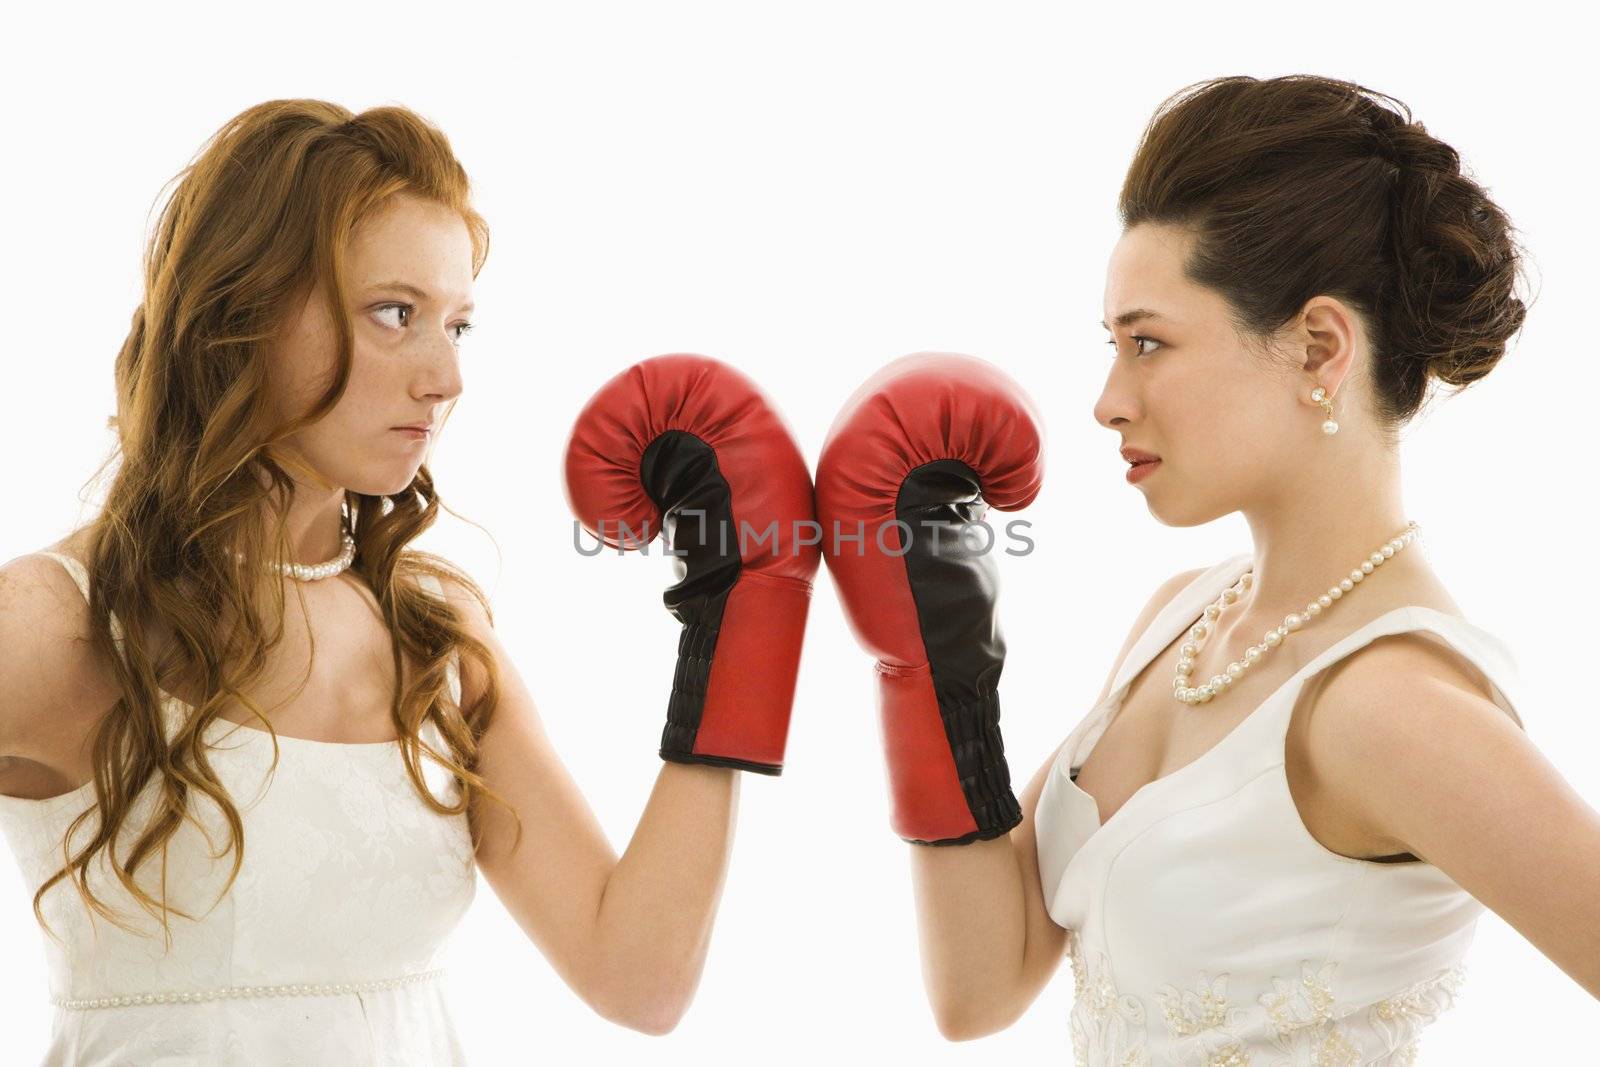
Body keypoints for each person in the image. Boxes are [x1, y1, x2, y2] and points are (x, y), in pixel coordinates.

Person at [0, 100, 817, 1065]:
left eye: (458, 326)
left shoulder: (438, 633)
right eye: (397, 314)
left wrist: (738, 622)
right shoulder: (58, 623)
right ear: (244, 312)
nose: (447, 377)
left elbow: (637, 974)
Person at [815, 75, 1599, 1063]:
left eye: (1148, 342)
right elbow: (979, 982)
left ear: (1317, 346)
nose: (1106, 398)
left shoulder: (1388, 703)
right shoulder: (1181, 617)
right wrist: (939, 668)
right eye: (1110, 344)